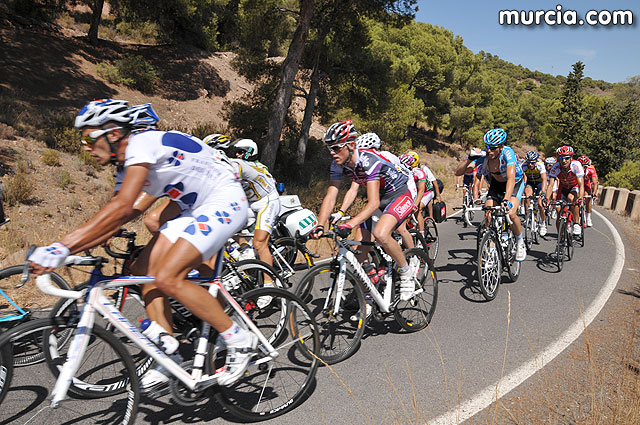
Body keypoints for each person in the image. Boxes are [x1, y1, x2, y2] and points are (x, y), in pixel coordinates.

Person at [28, 99, 255, 393]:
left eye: (89, 138)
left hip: (225, 200)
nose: (85, 147)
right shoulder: (124, 168)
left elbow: (123, 207)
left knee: (168, 277)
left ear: (112, 133)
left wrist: (60, 248)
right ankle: (168, 357)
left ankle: (239, 339)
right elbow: (123, 214)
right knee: (144, 272)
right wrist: (69, 251)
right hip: (193, 209)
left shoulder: (142, 144)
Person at [312, 120, 417, 304]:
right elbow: (331, 194)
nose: (332, 153)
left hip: (399, 194)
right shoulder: (337, 164)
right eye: (329, 148)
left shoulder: (369, 160)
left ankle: (406, 272)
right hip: (380, 199)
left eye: (336, 148)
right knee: (359, 252)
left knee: (381, 234)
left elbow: (374, 202)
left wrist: (349, 224)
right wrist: (320, 225)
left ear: (351, 145)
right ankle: (368, 298)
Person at [456, 128, 527, 261]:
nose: (489, 150)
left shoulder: (508, 153)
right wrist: (469, 159)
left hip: (515, 183)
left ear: (501, 147)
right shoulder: (484, 156)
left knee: (511, 213)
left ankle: (520, 241)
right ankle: (492, 248)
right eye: (487, 147)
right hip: (496, 184)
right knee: (488, 212)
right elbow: (458, 172)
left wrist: (506, 199)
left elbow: (511, 178)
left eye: (493, 148)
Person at [225, 138, 281, 304]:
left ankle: (269, 286)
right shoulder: (237, 164)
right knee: (227, 223)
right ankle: (245, 250)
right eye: (236, 152)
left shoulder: (242, 165)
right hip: (251, 203)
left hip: (267, 201)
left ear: (249, 152)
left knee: (259, 243)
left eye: (240, 152)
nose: (237, 154)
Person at [545, 145, 584, 235]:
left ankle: (576, 223)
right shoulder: (556, 167)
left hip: (574, 186)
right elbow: (550, 185)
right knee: (559, 212)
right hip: (562, 188)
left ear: (571, 158)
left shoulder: (576, 165)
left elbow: (581, 184)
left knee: (571, 198)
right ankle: (560, 237)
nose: (564, 161)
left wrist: (580, 198)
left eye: (566, 158)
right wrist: (547, 199)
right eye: (561, 158)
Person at [522, 151, 548, 236]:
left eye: (533, 163)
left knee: (540, 204)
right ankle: (527, 216)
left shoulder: (540, 165)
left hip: (539, 183)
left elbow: (544, 179)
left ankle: (543, 223)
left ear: (536, 161)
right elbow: (522, 179)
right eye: (529, 162)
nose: (530, 165)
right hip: (530, 183)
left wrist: (543, 192)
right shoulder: (524, 166)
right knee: (527, 196)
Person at [578, 156, 598, 227]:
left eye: (585, 167)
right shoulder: (575, 169)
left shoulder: (591, 169)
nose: (583, 168)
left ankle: (588, 217)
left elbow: (595, 182)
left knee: (588, 198)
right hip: (578, 183)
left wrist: (594, 193)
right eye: (581, 166)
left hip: (586, 184)